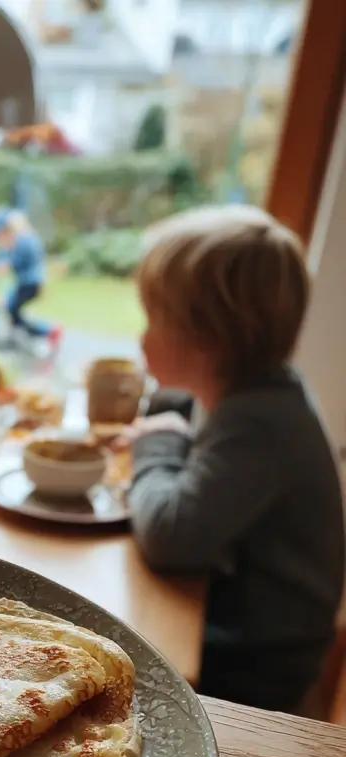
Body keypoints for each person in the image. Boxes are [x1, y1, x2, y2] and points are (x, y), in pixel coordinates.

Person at [128, 204, 344, 712]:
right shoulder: (247, 392)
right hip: (233, 612)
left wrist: (154, 444)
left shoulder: (259, 423)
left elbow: (169, 533)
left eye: (154, 320)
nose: (141, 337)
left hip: (255, 662)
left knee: (117, 650)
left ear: (206, 341)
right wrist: (168, 413)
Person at [0, 207, 60, 343]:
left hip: (29, 283)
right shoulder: (28, 238)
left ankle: (46, 331)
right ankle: (41, 332)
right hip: (30, 283)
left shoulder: (24, 240)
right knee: (12, 309)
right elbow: (6, 254)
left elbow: (12, 262)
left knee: (11, 308)